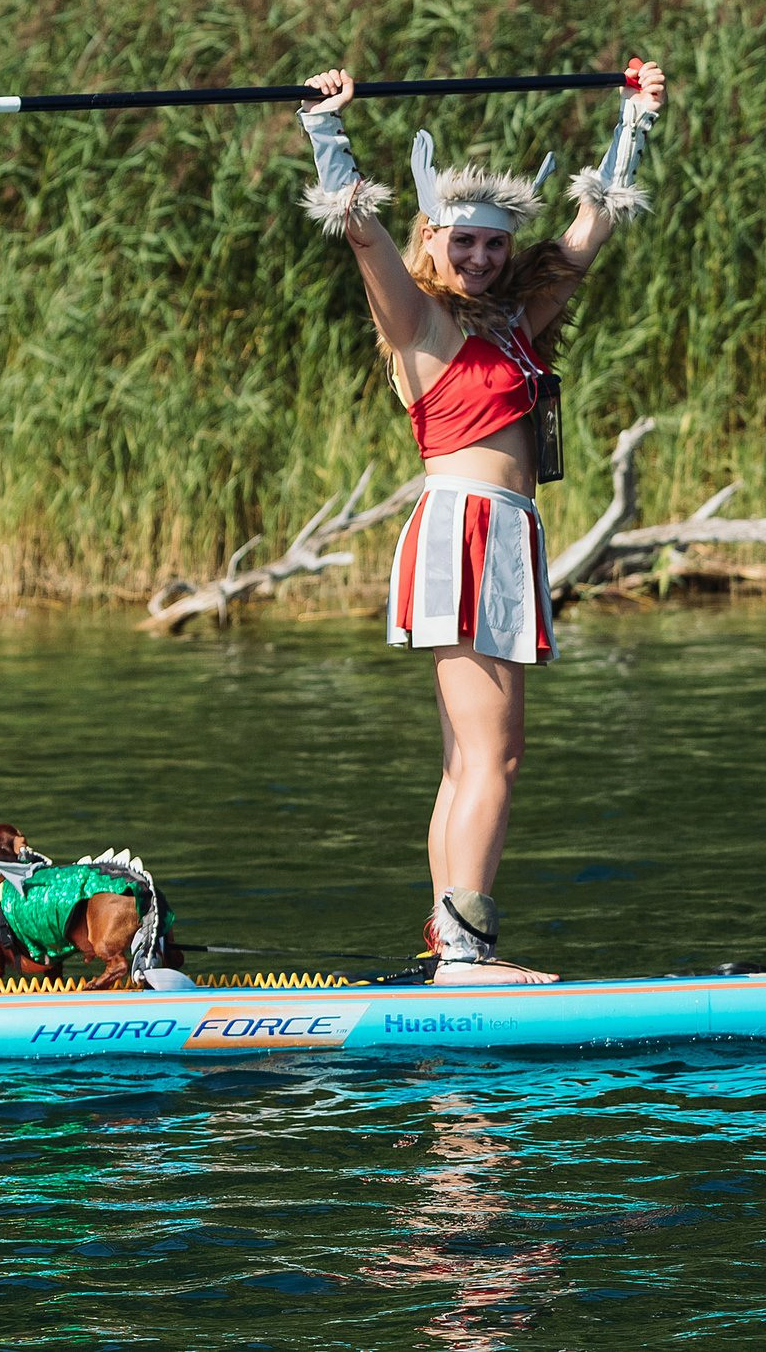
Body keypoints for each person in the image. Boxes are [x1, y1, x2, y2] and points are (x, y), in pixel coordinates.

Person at [294, 59, 668, 984]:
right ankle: (466, 953)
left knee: (473, 758)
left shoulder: (512, 326)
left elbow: (588, 234)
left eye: (494, 246)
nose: (480, 258)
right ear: (434, 240)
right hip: (464, 528)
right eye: (462, 243)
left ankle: (454, 944)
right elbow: (359, 233)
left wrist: (636, 118)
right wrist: (327, 131)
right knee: (493, 755)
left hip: (503, 534)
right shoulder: (419, 325)